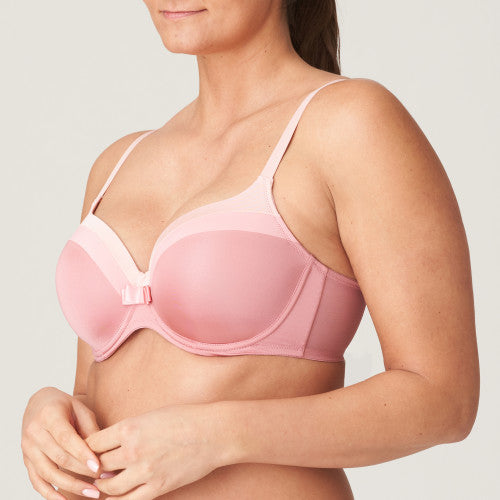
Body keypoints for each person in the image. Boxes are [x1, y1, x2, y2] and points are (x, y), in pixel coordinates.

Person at [21, 1, 480, 499]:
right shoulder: (117, 164)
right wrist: (52, 413)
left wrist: (215, 435)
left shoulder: (350, 123)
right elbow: (96, 389)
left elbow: (443, 399)